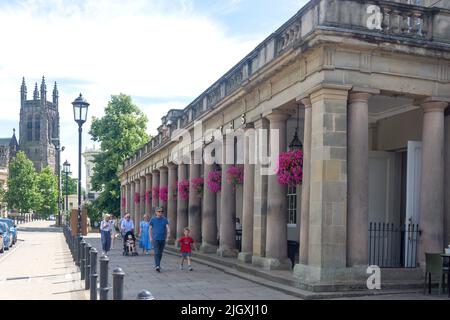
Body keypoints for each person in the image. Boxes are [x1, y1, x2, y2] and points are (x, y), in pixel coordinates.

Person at [149, 207, 170, 272]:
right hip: (155, 239)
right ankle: (157, 266)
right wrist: (150, 237)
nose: (160, 213)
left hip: (162, 238)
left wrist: (168, 236)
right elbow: (150, 229)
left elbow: (168, 228)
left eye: (161, 211)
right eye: (159, 211)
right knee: (156, 252)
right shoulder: (152, 219)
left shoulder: (165, 219)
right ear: (156, 212)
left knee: (160, 253)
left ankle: (158, 264)